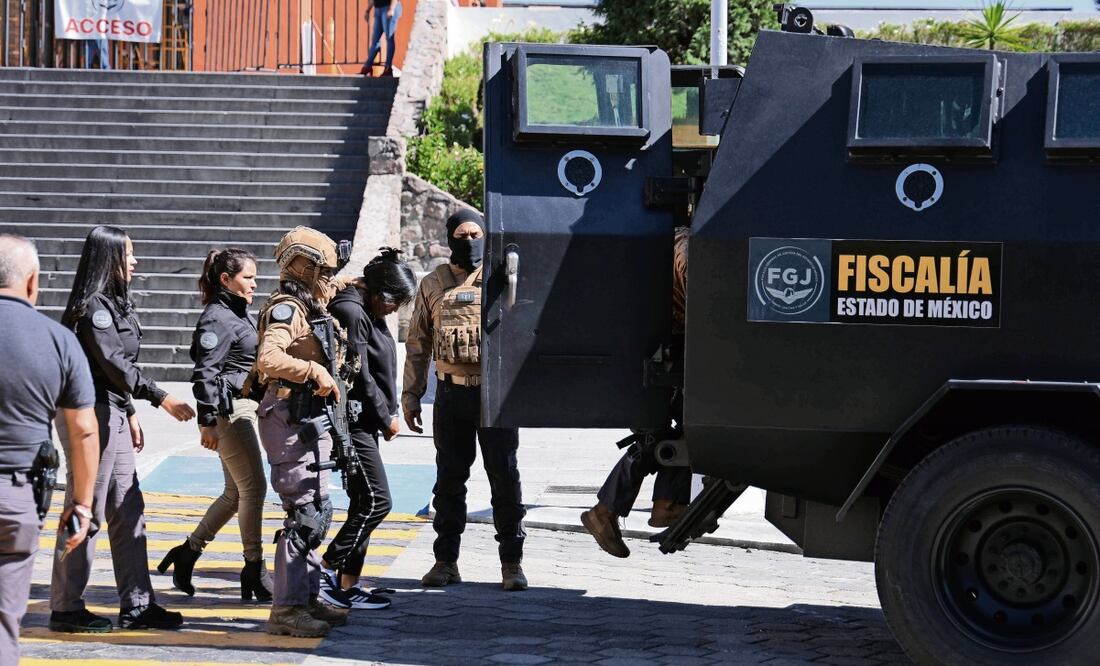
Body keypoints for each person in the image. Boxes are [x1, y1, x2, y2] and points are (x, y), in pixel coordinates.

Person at [50, 225, 194, 633]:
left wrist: (128, 410)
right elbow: (112, 361)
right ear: (109, 258)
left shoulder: (111, 304)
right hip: (89, 416)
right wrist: (159, 396)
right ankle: (65, 607)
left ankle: (137, 604)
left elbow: (110, 371)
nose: (135, 261)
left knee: (128, 510)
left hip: (110, 410)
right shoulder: (93, 308)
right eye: (128, 253)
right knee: (86, 510)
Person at [403, 209, 528, 592]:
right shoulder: (432, 284)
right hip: (450, 393)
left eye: (477, 233)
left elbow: (522, 333)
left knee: (504, 479)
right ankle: (445, 562)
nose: (470, 240)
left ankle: (512, 563)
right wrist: (410, 396)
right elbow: (418, 344)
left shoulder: (501, 279)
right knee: (449, 480)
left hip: (494, 396)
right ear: (450, 238)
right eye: (462, 233)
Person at [0, 235, 98, 664]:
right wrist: (81, 504)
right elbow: (83, 430)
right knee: (4, 619)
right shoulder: (57, 340)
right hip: (13, 501)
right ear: (32, 282)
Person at [156, 249, 273, 602]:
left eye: (254, 277)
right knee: (254, 489)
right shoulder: (217, 319)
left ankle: (188, 552)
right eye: (248, 278)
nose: (255, 283)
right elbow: (204, 374)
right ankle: (254, 566)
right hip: (229, 412)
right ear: (226, 280)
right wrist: (207, 422)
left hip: (243, 408)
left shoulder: (238, 312)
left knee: (236, 493)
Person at [255, 227, 351, 637]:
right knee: (304, 517)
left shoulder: (309, 304)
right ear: (302, 267)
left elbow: (334, 291)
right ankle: (287, 610)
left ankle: (308, 598)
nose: (329, 279)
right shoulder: (287, 309)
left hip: (309, 421)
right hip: (288, 418)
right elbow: (269, 358)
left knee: (318, 511)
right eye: (323, 271)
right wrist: (314, 370)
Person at [581, 226, 692, 558]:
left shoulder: (649, 238)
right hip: (662, 353)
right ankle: (647, 506)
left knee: (664, 432)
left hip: (650, 350)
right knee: (671, 431)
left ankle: (656, 505)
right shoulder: (683, 242)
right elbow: (697, 295)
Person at [318, 248, 417, 611]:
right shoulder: (353, 311)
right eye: (394, 303)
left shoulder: (366, 308)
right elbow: (359, 374)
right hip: (355, 422)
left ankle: (347, 584)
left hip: (365, 421)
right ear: (380, 292)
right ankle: (323, 571)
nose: (393, 310)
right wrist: (385, 416)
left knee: (363, 502)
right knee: (377, 502)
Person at [359, 0, 401, 77]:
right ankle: (367, 67)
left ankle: (388, 68)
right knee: (375, 40)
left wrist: (392, 9)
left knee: (389, 38)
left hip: (389, 7)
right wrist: (368, 10)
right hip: (378, 9)